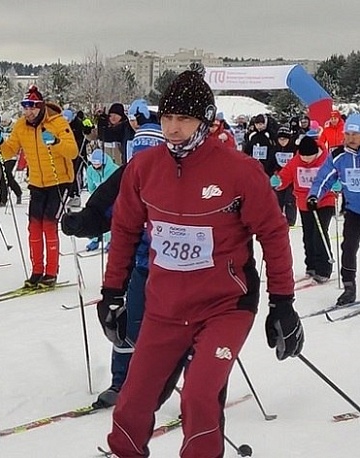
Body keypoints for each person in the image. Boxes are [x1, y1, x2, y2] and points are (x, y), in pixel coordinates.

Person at [98, 66, 302, 458]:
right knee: (132, 406)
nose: (173, 128)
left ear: (204, 121)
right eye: (168, 118)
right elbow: (123, 230)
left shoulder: (238, 170)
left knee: (198, 397)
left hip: (224, 306)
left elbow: (274, 234)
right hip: (165, 307)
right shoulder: (144, 168)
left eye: (184, 119)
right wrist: (111, 293)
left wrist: (283, 304)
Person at [61, 111, 166, 408]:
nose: (143, 166)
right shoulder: (126, 178)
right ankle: (122, 383)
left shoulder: (181, 179)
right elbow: (102, 212)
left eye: (151, 157)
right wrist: (80, 222)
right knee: (124, 325)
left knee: (181, 330)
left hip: (176, 270)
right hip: (136, 266)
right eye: (138, 157)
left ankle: (196, 390)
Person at [0, 85, 78, 287]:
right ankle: (37, 270)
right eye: (25, 108)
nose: (29, 112)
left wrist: (56, 141)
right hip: (37, 182)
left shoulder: (57, 122)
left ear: (41, 107)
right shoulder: (21, 125)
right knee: (33, 227)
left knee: (49, 226)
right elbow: (8, 152)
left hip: (60, 181)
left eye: (33, 107)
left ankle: (51, 272)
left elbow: (73, 152)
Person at [309, 113, 360, 306]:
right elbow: (324, 177)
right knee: (348, 247)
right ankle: (349, 287)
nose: (350, 138)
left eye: (355, 134)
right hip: (354, 210)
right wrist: (314, 195)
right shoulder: (338, 156)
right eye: (347, 134)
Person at [275, 135, 334, 283]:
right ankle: (311, 266)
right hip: (304, 202)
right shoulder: (295, 161)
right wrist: (276, 181)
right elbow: (285, 176)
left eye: (310, 157)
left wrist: (336, 186)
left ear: (316, 153)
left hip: (324, 201)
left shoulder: (326, 160)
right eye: (303, 157)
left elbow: (334, 176)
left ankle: (324, 269)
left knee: (319, 233)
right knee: (308, 235)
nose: (306, 160)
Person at [83, 149, 118, 251]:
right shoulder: (90, 170)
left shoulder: (114, 170)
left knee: (110, 217)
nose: (96, 167)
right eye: (94, 164)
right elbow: (91, 187)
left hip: (112, 199)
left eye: (98, 164)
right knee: (93, 216)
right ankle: (95, 238)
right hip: (98, 198)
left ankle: (111, 240)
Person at [272, 126, 298, 225]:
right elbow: (272, 161)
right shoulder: (275, 148)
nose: (282, 141)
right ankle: (278, 218)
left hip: (291, 178)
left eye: (285, 139)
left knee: (290, 199)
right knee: (278, 199)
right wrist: (274, 171)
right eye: (280, 139)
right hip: (279, 177)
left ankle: (290, 220)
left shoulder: (294, 149)